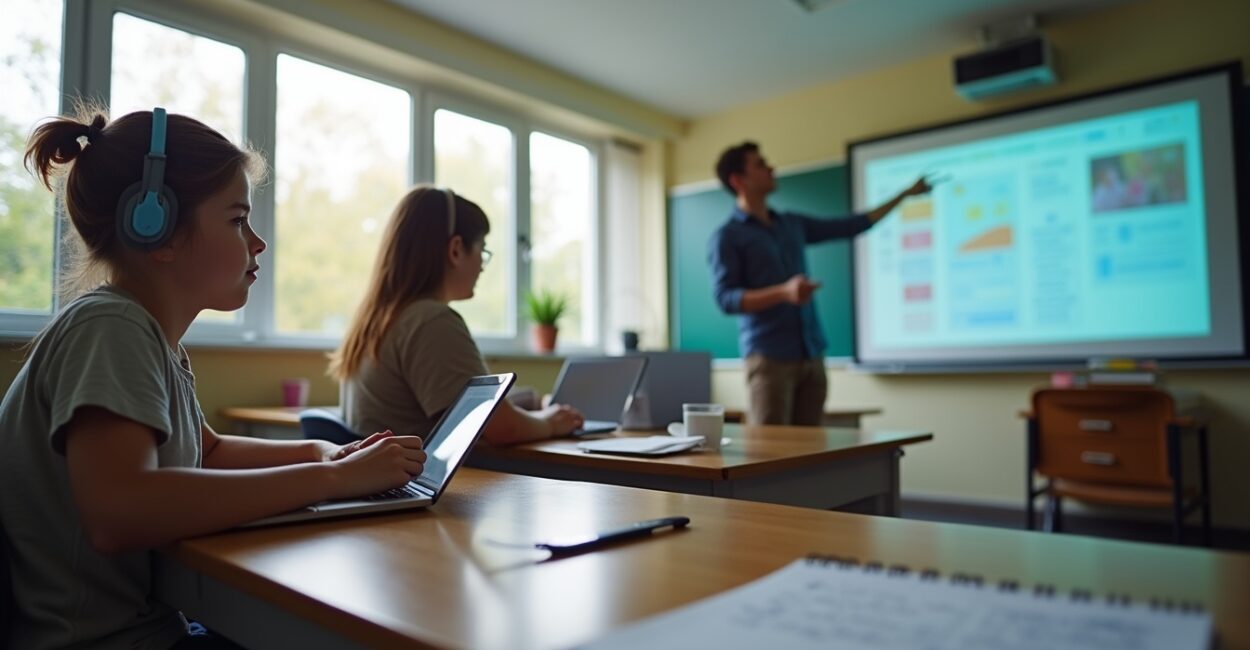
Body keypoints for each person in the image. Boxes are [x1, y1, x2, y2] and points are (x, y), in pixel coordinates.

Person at [0, 106, 427, 650]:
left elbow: (213, 450)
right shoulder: (111, 327)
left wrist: (322, 454)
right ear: (156, 224)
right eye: (236, 219)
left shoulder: (153, 340)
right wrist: (333, 482)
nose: (257, 242)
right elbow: (119, 510)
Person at [330, 186, 584, 444]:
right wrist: (552, 422)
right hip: (430, 481)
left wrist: (530, 402)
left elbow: (456, 402)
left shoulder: (377, 321)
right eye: (482, 251)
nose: (482, 267)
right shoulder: (431, 321)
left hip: (384, 482)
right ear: (455, 250)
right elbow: (501, 428)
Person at [708, 141, 931, 425]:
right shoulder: (727, 236)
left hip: (811, 355)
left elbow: (853, 225)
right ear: (738, 180)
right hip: (770, 360)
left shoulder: (791, 224)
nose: (771, 168)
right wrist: (783, 292)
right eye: (760, 164)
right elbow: (725, 299)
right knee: (768, 455)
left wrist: (904, 195)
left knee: (810, 453)